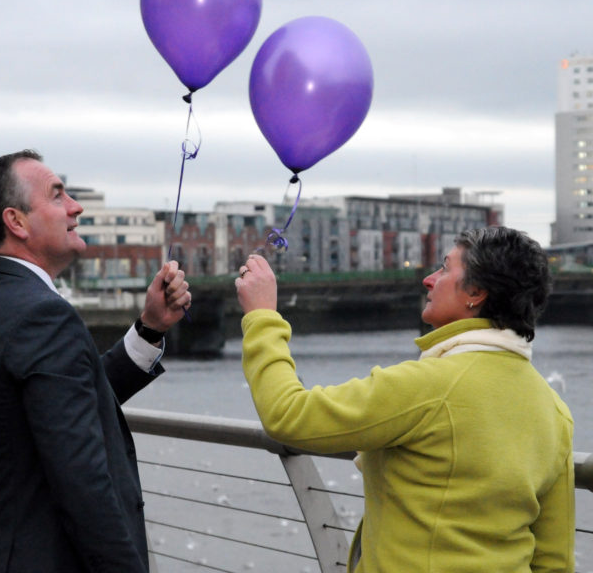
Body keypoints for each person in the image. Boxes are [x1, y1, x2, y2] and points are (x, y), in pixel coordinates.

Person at [235, 226, 574, 573]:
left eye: (444, 268)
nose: (428, 279)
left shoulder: (428, 386)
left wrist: (261, 316)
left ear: (475, 292)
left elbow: (289, 415)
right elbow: (554, 561)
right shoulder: (554, 410)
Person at [0, 149, 191, 573]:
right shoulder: (44, 314)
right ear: (16, 222)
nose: (75, 207)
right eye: (57, 196)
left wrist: (149, 329)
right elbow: (83, 483)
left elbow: (62, 400)